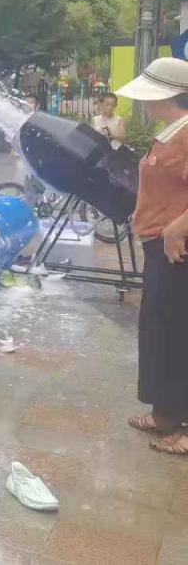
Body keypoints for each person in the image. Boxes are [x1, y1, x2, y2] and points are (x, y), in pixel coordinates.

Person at [117, 59, 188, 455]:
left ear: (170, 96)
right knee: (160, 331)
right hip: (158, 247)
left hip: (178, 251)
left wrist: (177, 227)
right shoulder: (170, 133)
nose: (144, 103)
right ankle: (166, 413)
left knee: (181, 335)